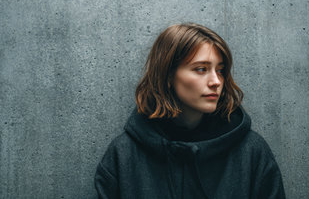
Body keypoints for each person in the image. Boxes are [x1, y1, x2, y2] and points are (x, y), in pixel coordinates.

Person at [94, 23, 285, 199]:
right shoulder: (124, 156)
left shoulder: (251, 152)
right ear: (168, 75)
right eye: (201, 69)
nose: (216, 81)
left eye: (220, 70)